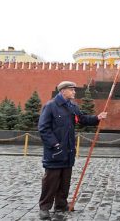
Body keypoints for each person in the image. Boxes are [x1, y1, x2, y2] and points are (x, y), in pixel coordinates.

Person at [38, 81, 107, 220]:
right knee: (50, 182)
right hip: (55, 152)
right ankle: (44, 207)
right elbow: (43, 128)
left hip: (68, 151)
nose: (74, 92)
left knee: (65, 181)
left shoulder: (72, 106)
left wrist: (97, 118)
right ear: (63, 91)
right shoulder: (51, 106)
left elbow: (82, 119)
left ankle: (61, 205)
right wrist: (55, 145)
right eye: (72, 90)